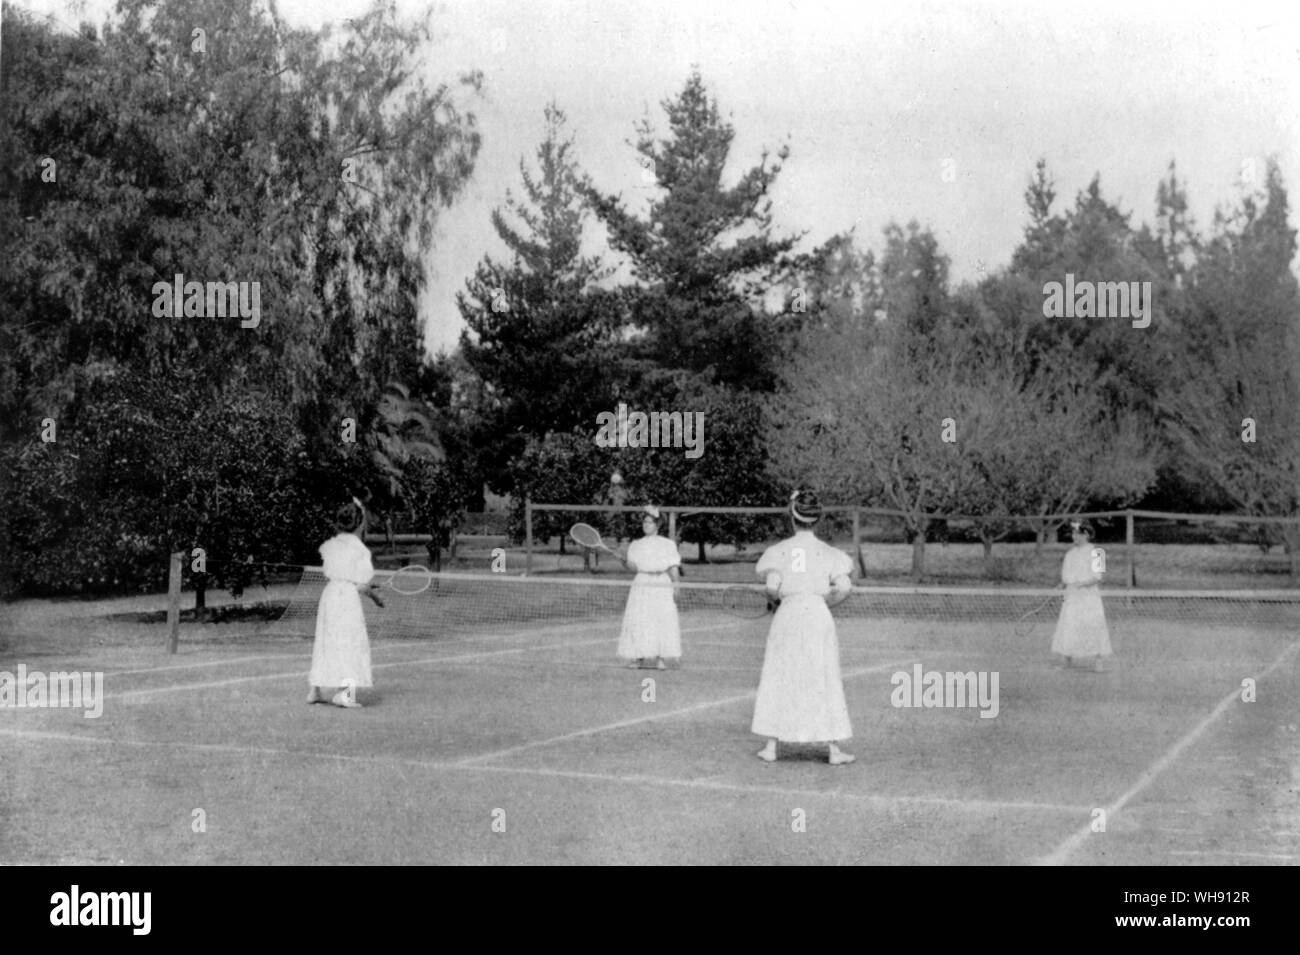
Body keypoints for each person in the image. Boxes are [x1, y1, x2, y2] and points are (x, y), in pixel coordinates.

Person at [752, 488, 856, 765]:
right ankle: (833, 750)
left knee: (781, 672)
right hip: (818, 615)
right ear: (817, 520)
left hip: (789, 615)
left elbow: (772, 587)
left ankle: (772, 747)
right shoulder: (829, 552)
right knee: (823, 675)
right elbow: (844, 586)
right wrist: (825, 603)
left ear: (792, 517)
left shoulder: (779, 551)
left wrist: (776, 600)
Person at [307, 498, 375, 708]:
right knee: (350, 642)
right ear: (361, 523)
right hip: (347, 599)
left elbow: (339, 573)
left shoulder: (330, 546)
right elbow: (362, 585)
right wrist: (375, 596)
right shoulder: (360, 550)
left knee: (326, 641)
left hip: (330, 595)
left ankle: (315, 690)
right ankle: (344, 694)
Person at [616, 505, 682, 670]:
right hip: (641, 583)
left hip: (661, 584)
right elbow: (634, 568)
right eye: (645, 522)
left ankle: (661, 658)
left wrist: (677, 586)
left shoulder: (667, 544)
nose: (646, 525)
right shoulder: (636, 544)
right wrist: (623, 560)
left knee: (661, 620)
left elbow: (673, 567)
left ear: (657, 525)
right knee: (639, 620)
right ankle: (637, 658)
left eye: (650, 522)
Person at [1050, 521, 1113, 672]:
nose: (1074, 536)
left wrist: (1080, 585)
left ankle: (1098, 661)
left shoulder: (1098, 552)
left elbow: (1098, 577)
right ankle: (1066, 659)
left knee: (1093, 625)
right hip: (1071, 597)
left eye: (1077, 533)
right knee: (1069, 625)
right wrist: (1063, 584)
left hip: (1089, 597)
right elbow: (1067, 577)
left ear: (1086, 534)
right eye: (1073, 533)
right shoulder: (1069, 553)